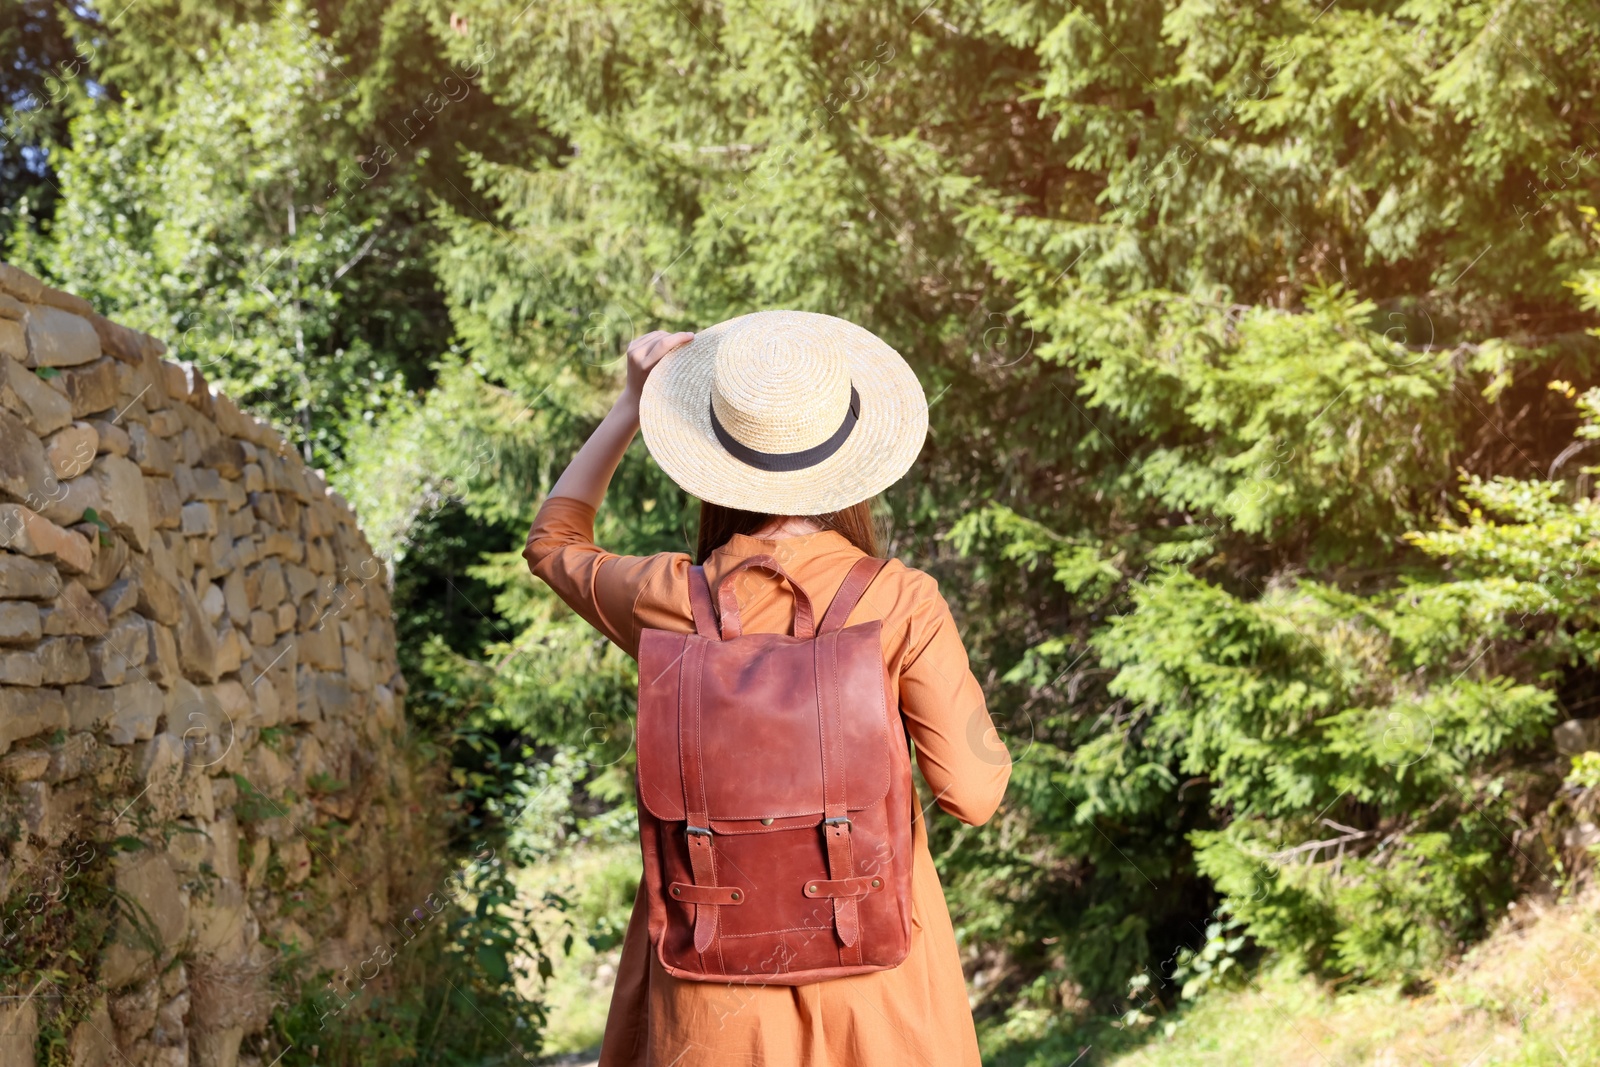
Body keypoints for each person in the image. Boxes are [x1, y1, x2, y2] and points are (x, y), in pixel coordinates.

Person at [523, 310, 1012, 1067]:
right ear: (850, 457)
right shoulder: (903, 601)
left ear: (716, 458)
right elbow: (973, 794)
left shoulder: (668, 599)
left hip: (710, 982)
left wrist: (628, 404)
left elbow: (555, 543)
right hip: (878, 987)